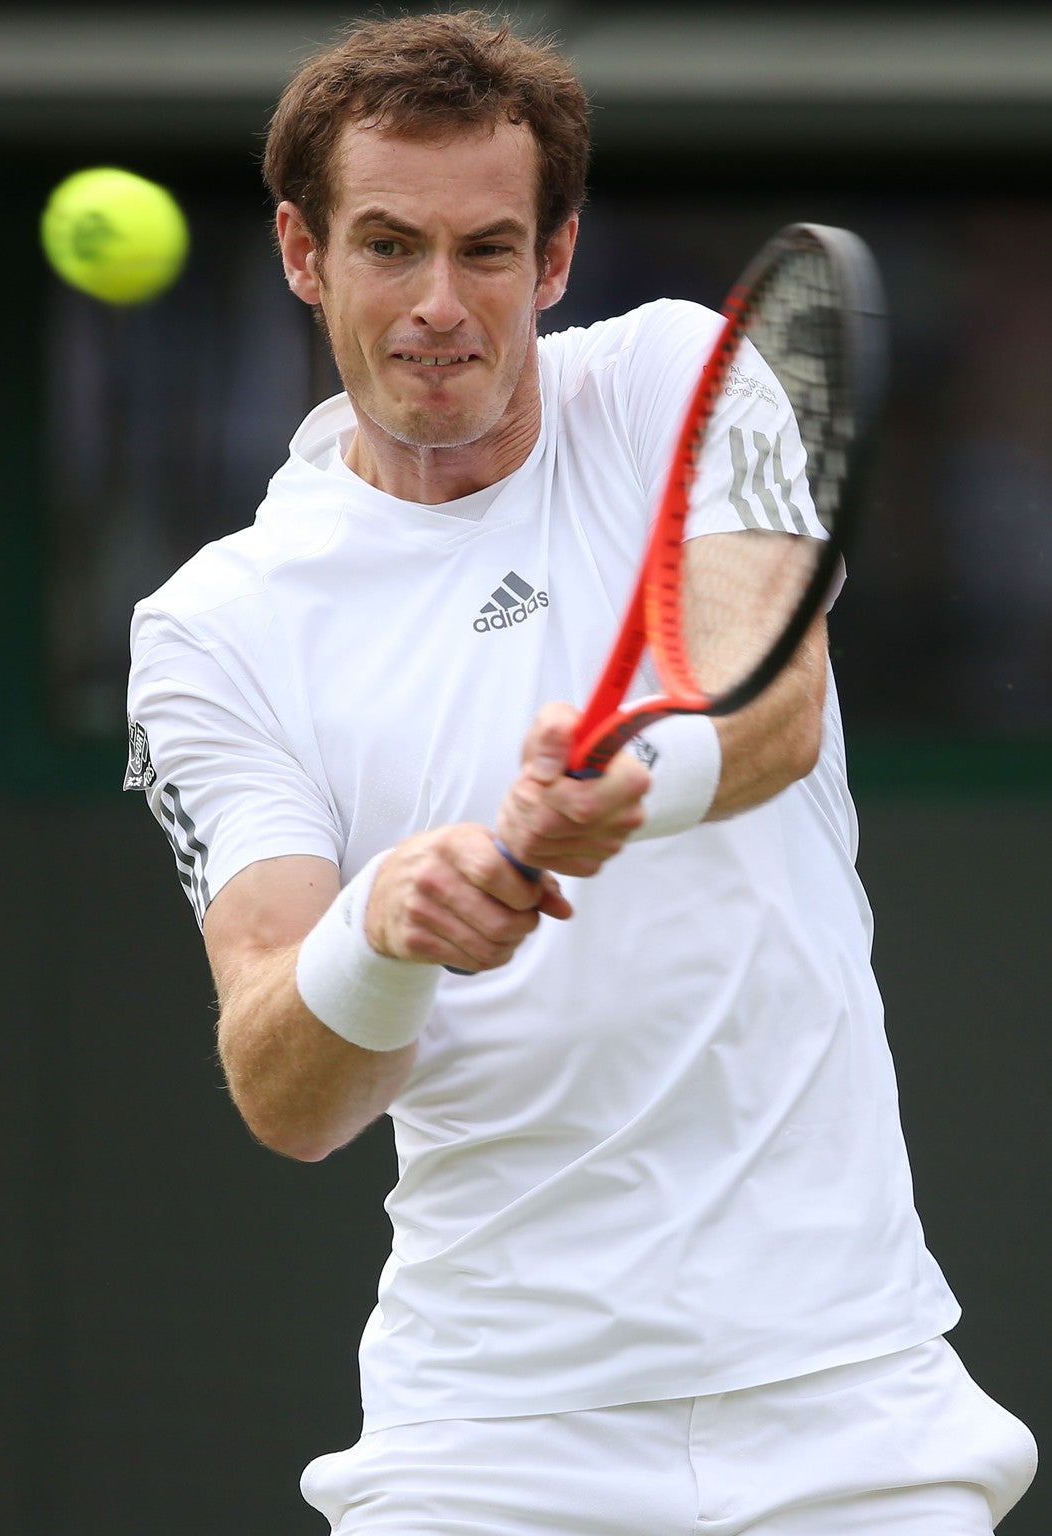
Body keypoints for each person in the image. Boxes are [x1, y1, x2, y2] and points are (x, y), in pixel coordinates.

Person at [124, 11, 1037, 1534]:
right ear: (302, 252)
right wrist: (385, 930)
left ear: (553, 263)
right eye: (386, 245)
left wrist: (618, 793)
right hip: (484, 1440)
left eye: (487, 251)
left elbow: (772, 699)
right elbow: (285, 1085)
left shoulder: (684, 372)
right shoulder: (214, 628)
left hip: (847, 1401)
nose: (438, 304)